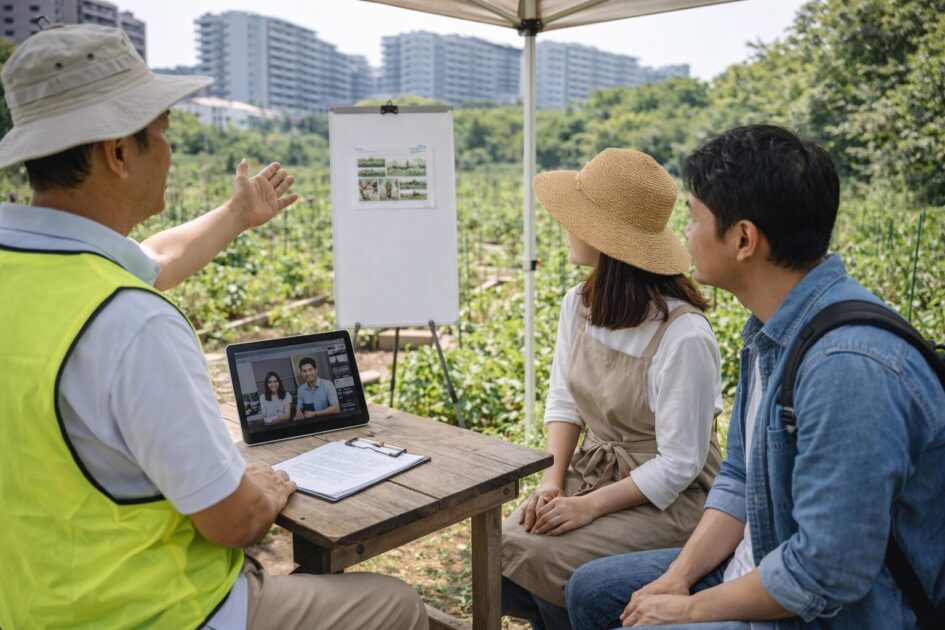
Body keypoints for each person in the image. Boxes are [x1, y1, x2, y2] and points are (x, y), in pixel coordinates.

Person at [0, 24, 427, 629]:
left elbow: (156, 260)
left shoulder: (31, 272)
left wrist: (235, 216)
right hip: (161, 612)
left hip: (29, 609)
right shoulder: (129, 322)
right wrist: (264, 486)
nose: (170, 151)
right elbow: (232, 522)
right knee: (398, 605)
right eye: (161, 134)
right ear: (118, 153)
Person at [565, 125, 945, 629]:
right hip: (759, 559)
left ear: (744, 239)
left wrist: (689, 608)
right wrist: (678, 577)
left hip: (829, 614)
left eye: (694, 219)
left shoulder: (847, 369)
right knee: (592, 591)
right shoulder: (770, 331)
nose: (685, 236)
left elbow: (824, 572)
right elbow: (741, 477)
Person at [501, 148, 724, 629]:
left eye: (576, 218)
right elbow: (564, 400)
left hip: (669, 496)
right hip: (595, 473)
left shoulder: (684, 334)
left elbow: (681, 464)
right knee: (507, 542)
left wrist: (586, 507)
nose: (565, 226)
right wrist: (552, 481)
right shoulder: (579, 302)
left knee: (544, 555)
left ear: (607, 239)